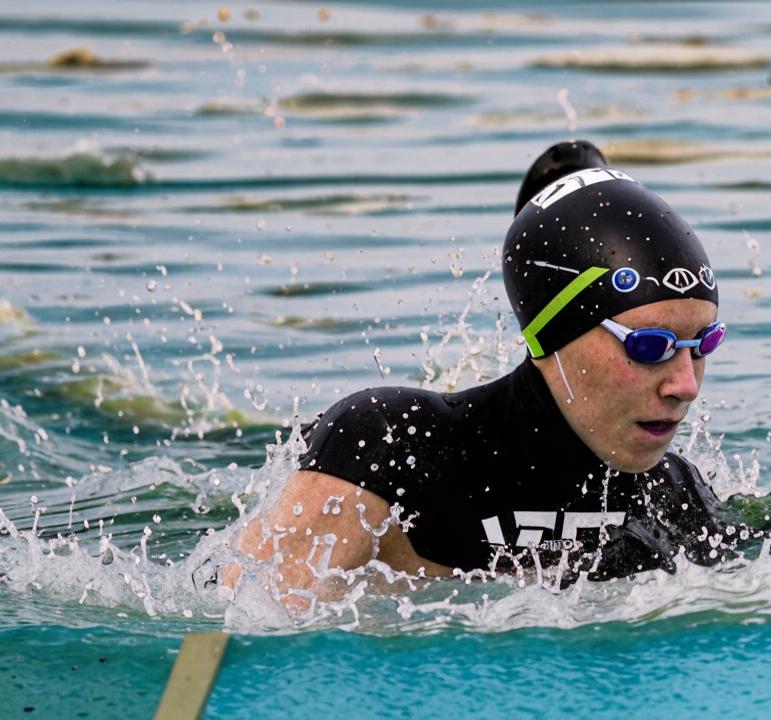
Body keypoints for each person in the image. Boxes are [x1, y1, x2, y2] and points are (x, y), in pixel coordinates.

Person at [228, 141, 733, 609]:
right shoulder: (391, 446)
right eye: (651, 347)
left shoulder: (674, 495)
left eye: (703, 344)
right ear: (552, 336)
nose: (685, 386)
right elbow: (242, 622)